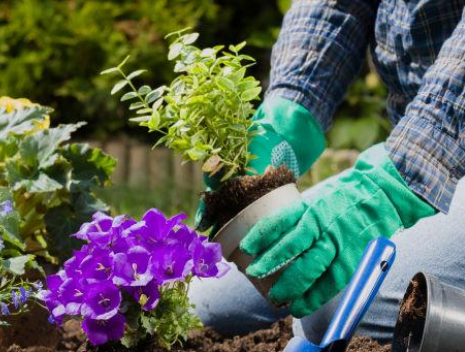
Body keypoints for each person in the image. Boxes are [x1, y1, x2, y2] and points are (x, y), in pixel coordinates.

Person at [190, 0, 465, 344]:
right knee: (211, 298)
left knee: (339, 309)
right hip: (423, 169)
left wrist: (394, 181)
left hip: (439, 151)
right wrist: (291, 111)